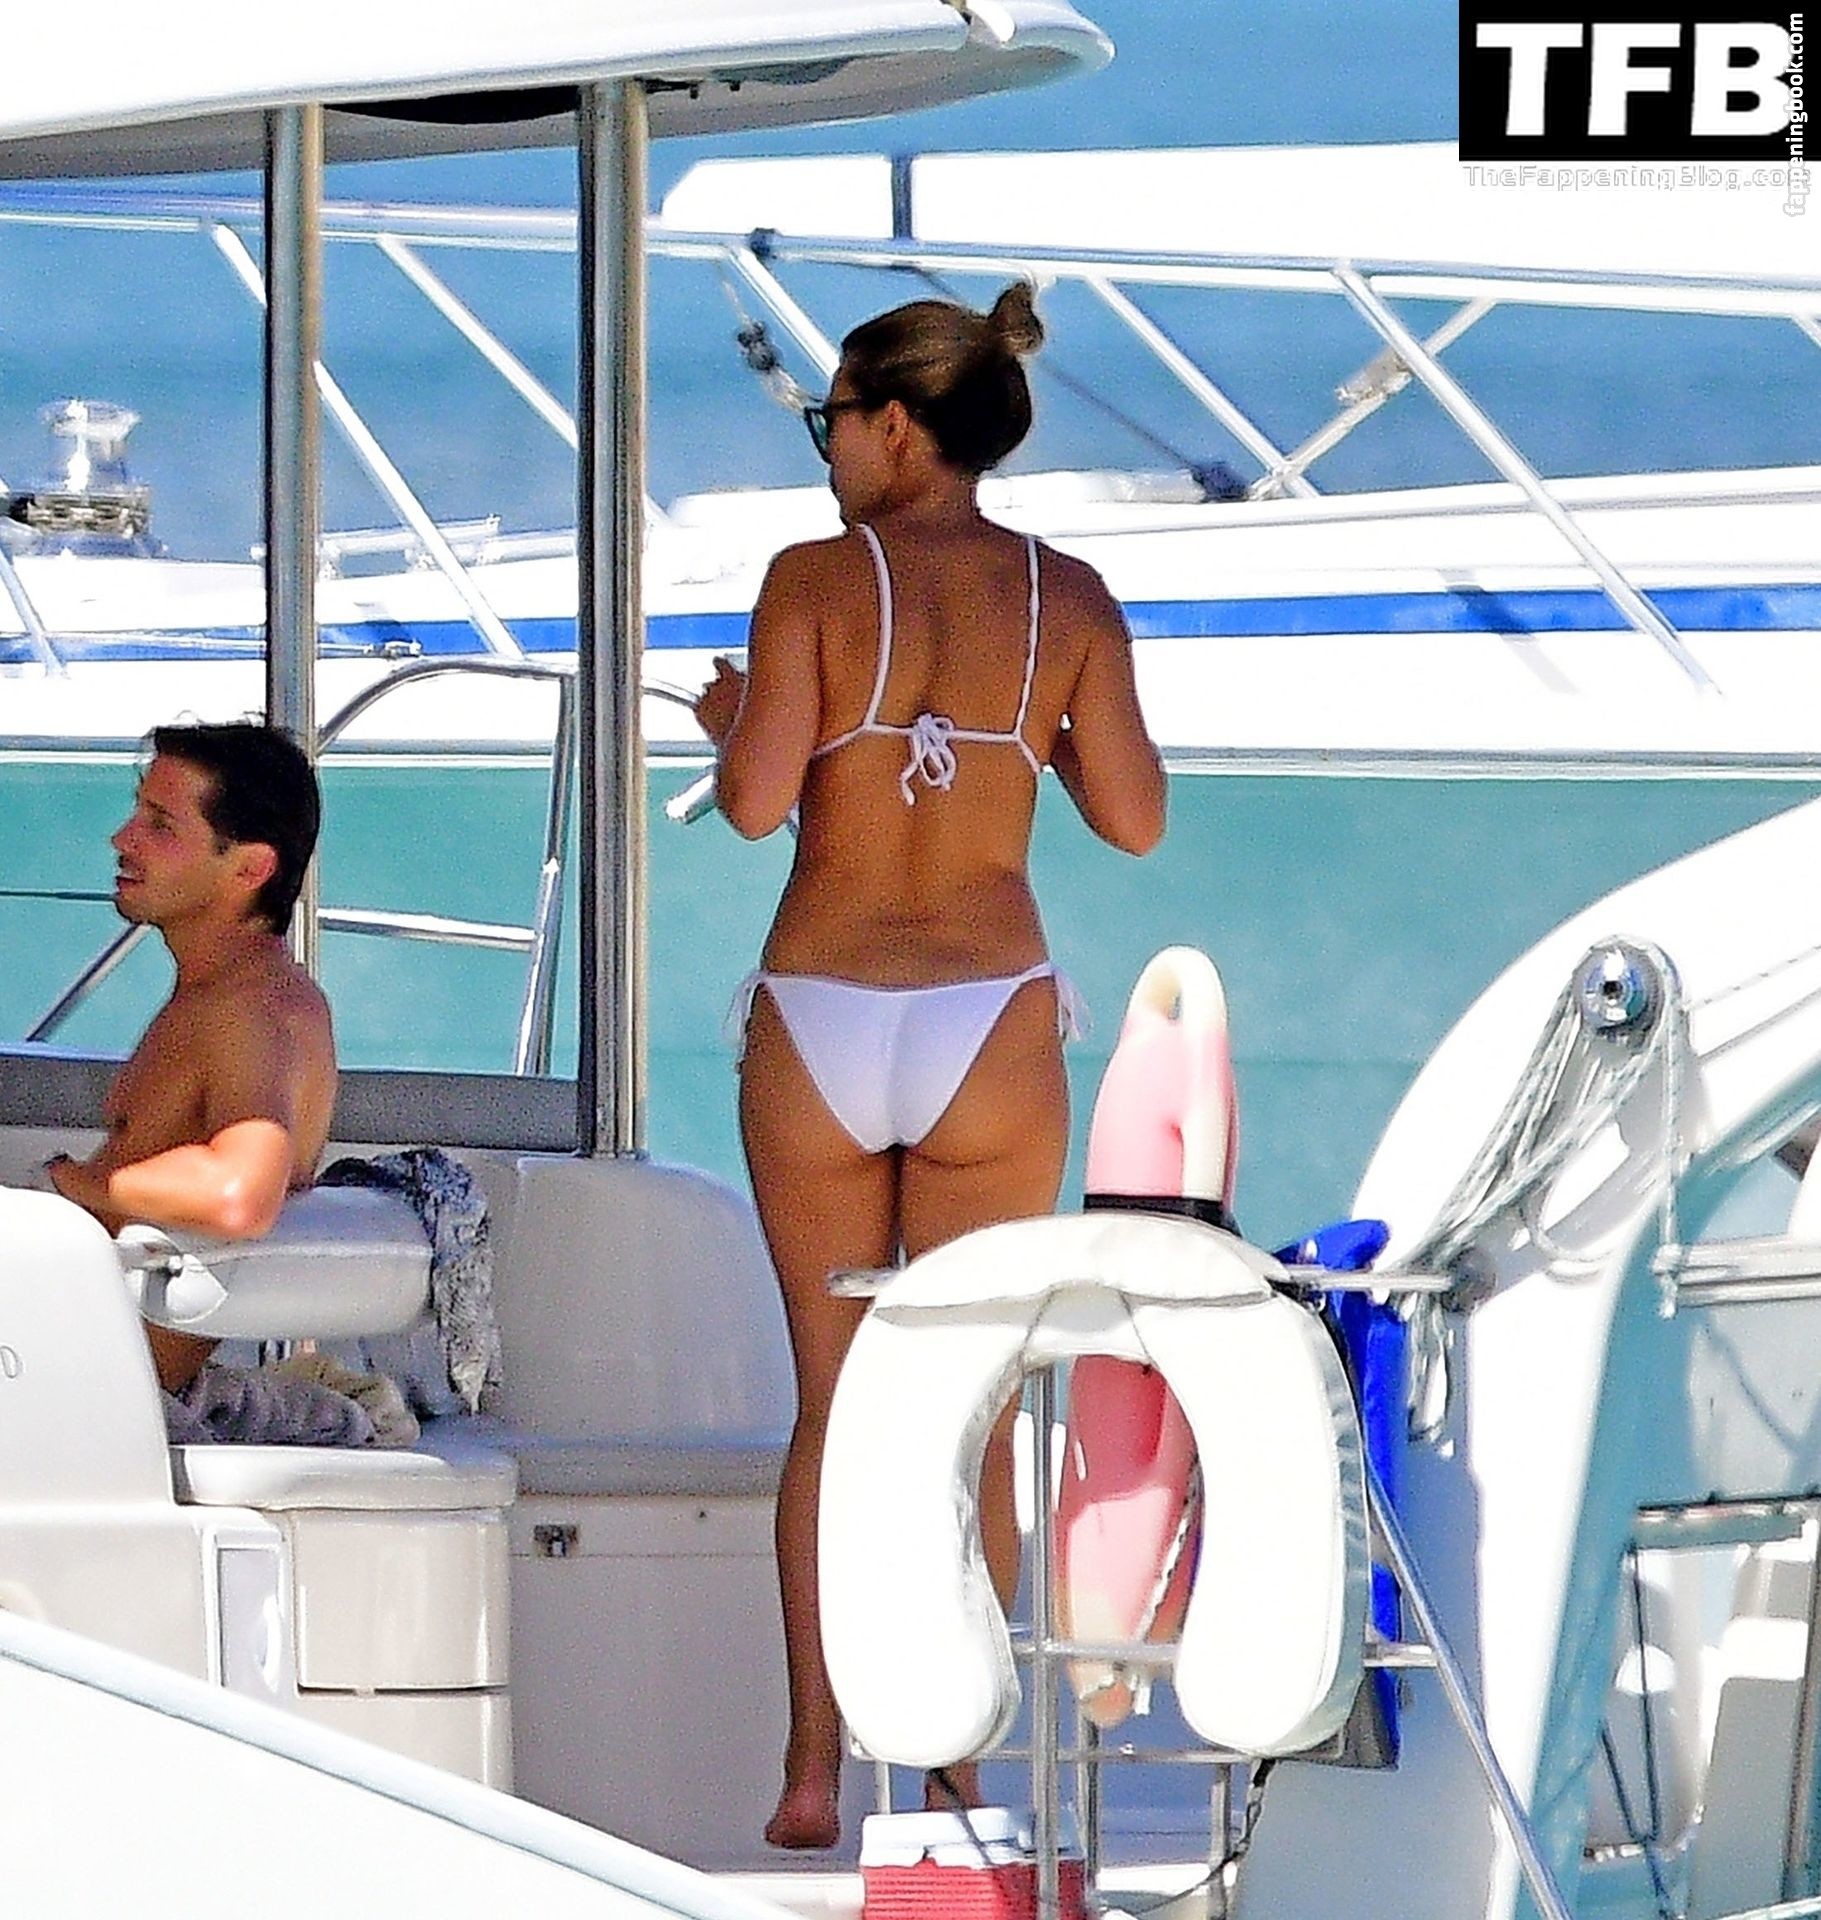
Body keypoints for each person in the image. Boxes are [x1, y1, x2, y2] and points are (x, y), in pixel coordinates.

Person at [694, 283, 1166, 1850]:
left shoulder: (813, 579)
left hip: (824, 1009)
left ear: (896, 426)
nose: (825, 447)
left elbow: (755, 806)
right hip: (987, 1019)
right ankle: (958, 1773)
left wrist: (734, 719)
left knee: (833, 1405)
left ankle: (809, 1767)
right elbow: (1134, 821)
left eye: (828, 418)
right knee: (973, 1405)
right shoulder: (1068, 597)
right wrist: (1029, 726)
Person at [44, 721, 336, 1395]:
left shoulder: (243, 1009)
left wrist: (71, 1183)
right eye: (136, 813)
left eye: (160, 825)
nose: (123, 839)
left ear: (250, 869)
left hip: (99, 1392)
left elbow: (241, 1194)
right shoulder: (254, 996)